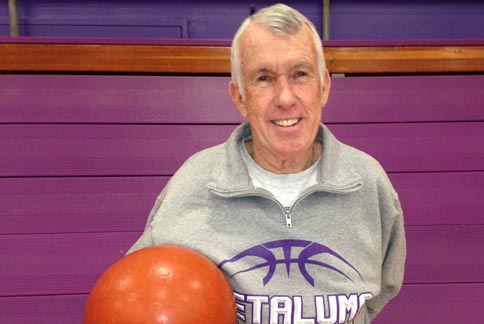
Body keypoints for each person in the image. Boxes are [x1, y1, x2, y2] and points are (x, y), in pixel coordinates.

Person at [128, 3, 406, 323]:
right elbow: (141, 293)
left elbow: (382, 289)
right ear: (239, 97)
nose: (285, 98)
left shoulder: (367, 182)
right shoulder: (192, 185)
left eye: (300, 74)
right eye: (264, 78)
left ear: (324, 86)